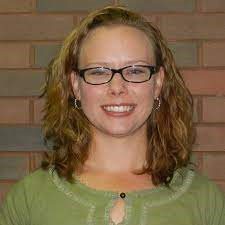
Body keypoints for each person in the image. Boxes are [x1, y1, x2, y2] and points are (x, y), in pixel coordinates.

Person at [0, 5, 224, 225]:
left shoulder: (205, 201)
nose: (117, 87)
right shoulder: (29, 199)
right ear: (76, 85)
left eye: (135, 70)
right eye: (99, 71)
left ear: (158, 83)